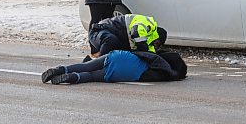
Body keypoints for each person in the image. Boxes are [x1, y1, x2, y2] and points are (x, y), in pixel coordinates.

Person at [42, 49, 187, 85]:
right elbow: (145, 77)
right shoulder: (165, 74)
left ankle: (61, 69)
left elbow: (139, 53)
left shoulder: (156, 57)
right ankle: (73, 78)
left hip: (121, 56)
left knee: (86, 65)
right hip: (127, 72)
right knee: (92, 76)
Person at [85, 14, 167, 62]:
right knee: (111, 40)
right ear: (156, 37)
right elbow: (136, 32)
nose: (156, 46)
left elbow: (149, 55)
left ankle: (92, 61)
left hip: (113, 36)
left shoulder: (150, 42)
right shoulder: (147, 23)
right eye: (157, 44)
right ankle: (98, 63)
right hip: (99, 31)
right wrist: (143, 48)